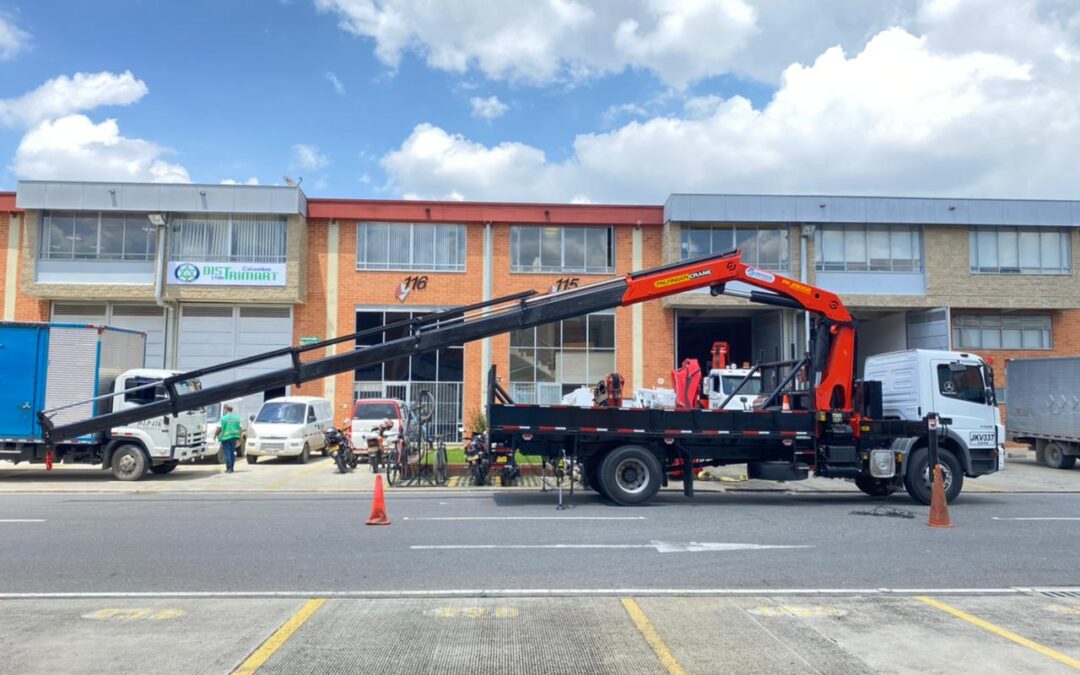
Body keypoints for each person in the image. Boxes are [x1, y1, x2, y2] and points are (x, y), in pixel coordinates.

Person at [215, 404, 242, 473]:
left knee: (227, 453)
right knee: (232, 452)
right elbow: (240, 428)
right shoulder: (236, 418)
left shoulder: (223, 418)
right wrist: (239, 437)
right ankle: (232, 468)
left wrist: (216, 435)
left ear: (226, 410)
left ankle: (229, 468)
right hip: (234, 437)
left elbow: (218, 428)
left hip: (225, 438)